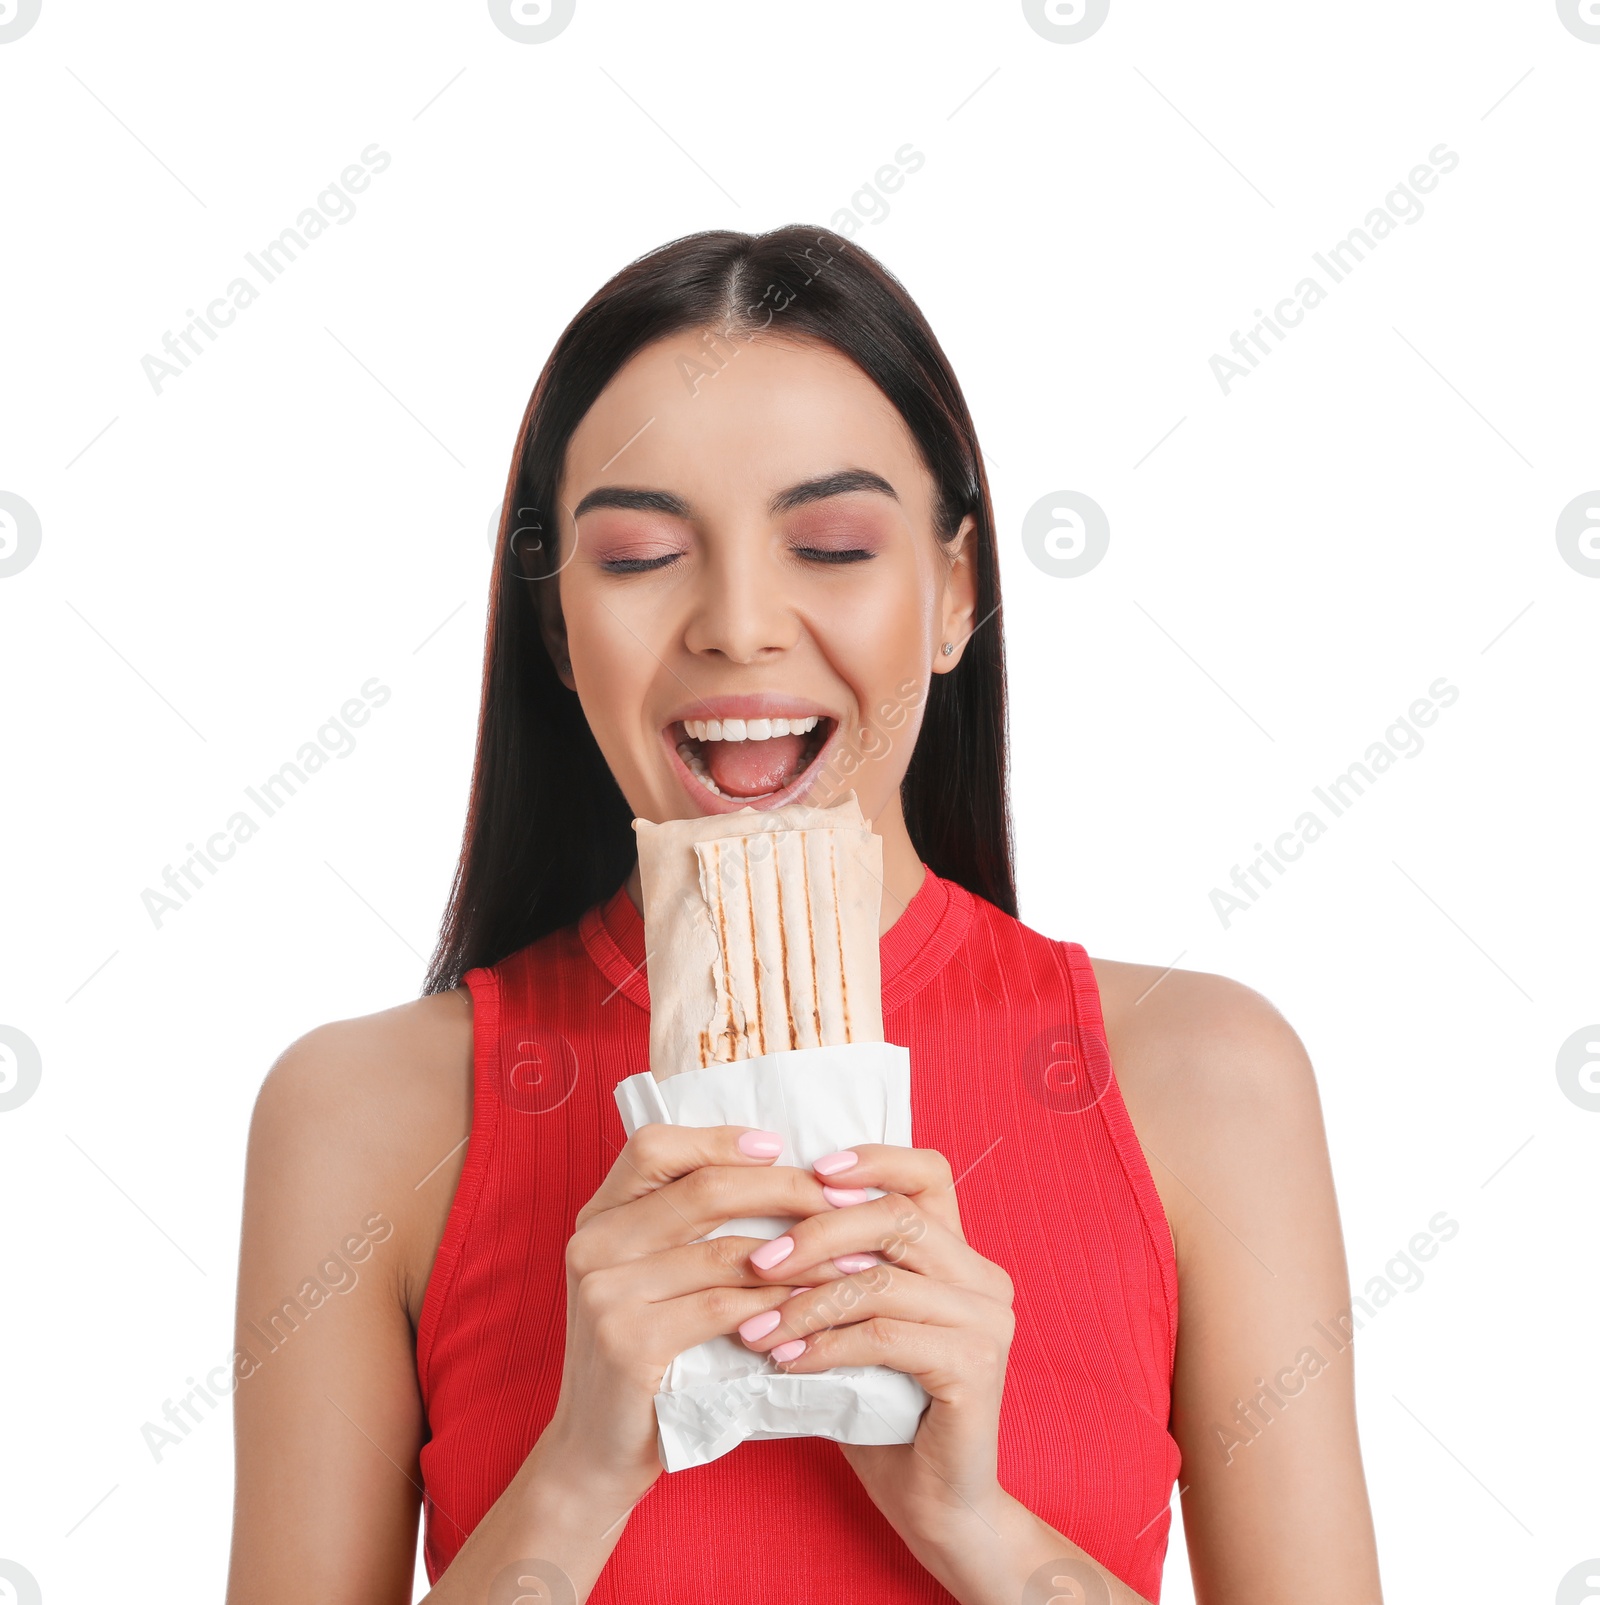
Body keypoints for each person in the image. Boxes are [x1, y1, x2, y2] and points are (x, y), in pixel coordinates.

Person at [225, 226, 1383, 1604]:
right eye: (643, 554)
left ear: (954, 591)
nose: (739, 622)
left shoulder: (1203, 1079)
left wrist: (978, 1524)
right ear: (556, 629)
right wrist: (586, 1459)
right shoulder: (363, 1113)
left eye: (830, 543)